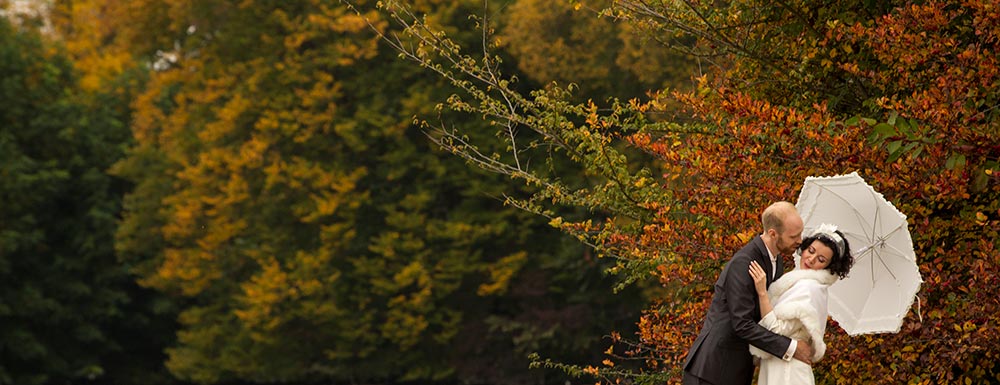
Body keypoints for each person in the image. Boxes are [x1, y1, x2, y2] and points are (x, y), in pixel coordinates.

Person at [682, 201, 814, 385]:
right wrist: (790, 348)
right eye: (794, 236)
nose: (800, 241)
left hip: (736, 370)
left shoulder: (777, 261)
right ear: (773, 234)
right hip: (712, 371)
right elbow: (742, 324)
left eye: (800, 233)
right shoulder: (744, 264)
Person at [748, 223, 854, 385]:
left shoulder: (809, 288)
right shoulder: (798, 283)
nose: (811, 260)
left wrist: (762, 292)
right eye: (811, 251)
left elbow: (775, 329)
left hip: (788, 372)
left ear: (828, 266)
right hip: (781, 365)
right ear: (804, 248)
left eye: (821, 259)